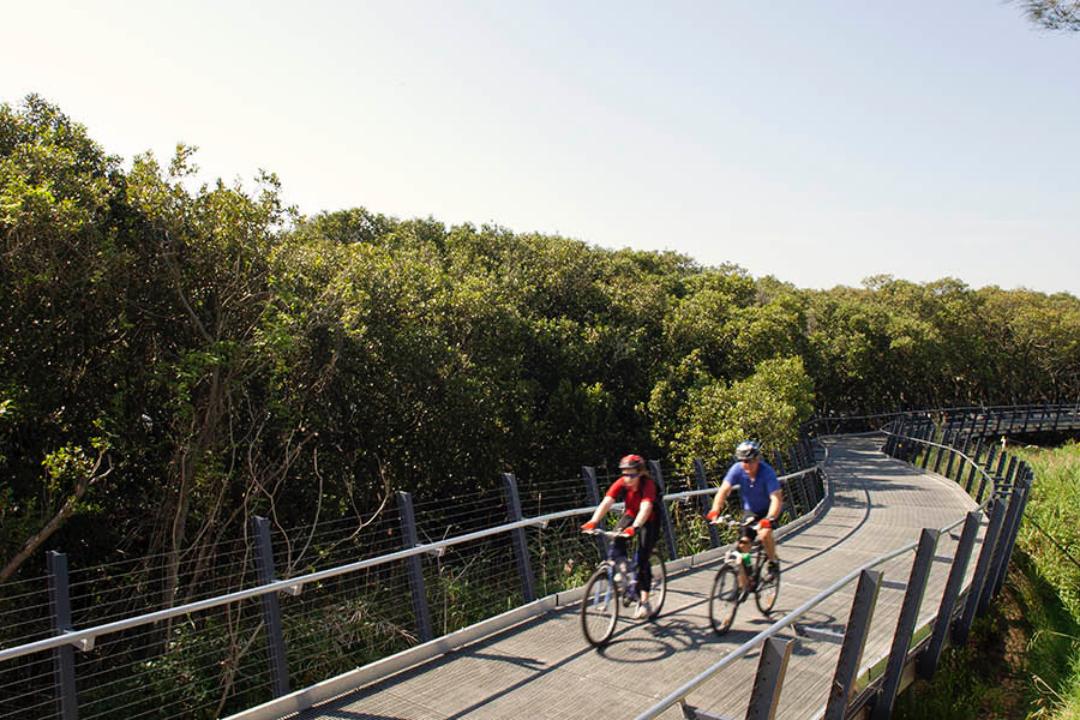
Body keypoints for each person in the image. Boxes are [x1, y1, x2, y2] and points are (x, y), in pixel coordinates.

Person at [581, 454, 661, 619]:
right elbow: (607, 502)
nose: (627, 478)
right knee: (616, 537)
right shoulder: (621, 483)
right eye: (624, 473)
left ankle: (644, 602)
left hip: (649, 519)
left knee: (642, 559)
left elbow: (646, 507)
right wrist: (593, 521)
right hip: (631, 514)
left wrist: (635, 527)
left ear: (640, 473)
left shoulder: (648, 485)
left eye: (631, 474)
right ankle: (623, 568)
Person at [706, 440, 782, 578]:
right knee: (743, 545)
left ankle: (773, 562)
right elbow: (723, 491)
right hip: (751, 511)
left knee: (765, 534)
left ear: (757, 459)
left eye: (750, 461)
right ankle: (744, 582)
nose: (746, 465)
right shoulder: (737, 469)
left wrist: (768, 519)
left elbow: (776, 498)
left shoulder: (767, 472)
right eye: (743, 461)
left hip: (768, 510)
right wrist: (715, 510)